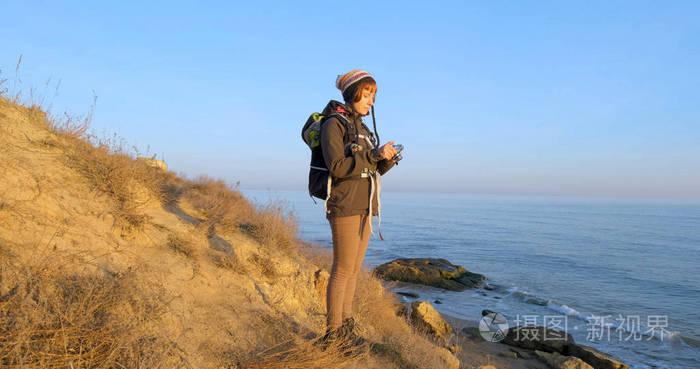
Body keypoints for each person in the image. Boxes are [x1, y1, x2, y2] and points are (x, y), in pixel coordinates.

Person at [315, 70, 400, 348]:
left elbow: (367, 169)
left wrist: (386, 161)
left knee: (353, 270)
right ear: (353, 94)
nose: (371, 102)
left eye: (373, 96)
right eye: (367, 95)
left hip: (365, 206)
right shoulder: (333, 124)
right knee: (341, 270)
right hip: (345, 205)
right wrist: (373, 155)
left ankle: (346, 328)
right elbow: (338, 167)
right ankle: (332, 334)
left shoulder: (362, 129)